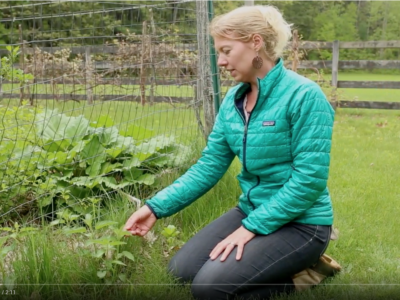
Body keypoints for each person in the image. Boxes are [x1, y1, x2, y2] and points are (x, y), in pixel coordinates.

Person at [125, 5, 335, 300]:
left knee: (209, 289)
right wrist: (155, 208)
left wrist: (250, 228)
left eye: (226, 50)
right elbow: (208, 166)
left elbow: (309, 182)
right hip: (251, 209)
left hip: (301, 223)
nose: (221, 62)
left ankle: (305, 275)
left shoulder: (304, 96)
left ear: (255, 42)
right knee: (180, 272)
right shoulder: (233, 101)